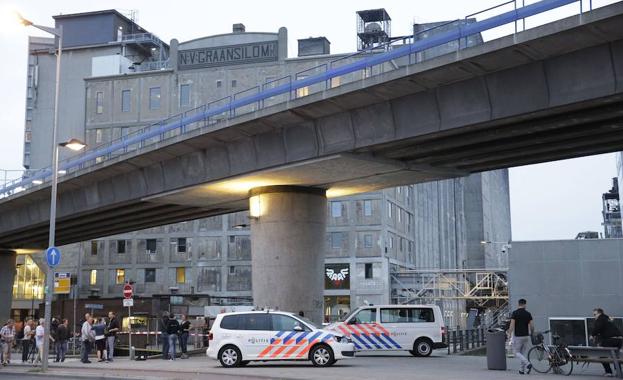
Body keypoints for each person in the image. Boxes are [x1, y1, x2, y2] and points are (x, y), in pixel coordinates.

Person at [592, 308, 623, 377]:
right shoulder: (607, 319)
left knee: (601, 354)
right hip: (619, 340)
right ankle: (618, 371)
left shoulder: (600, 319)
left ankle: (608, 371)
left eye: (595, 314)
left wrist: (592, 335)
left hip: (610, 340)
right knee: (615, 355)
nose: (594, 317)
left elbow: (597, 328)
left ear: (599, 313)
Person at [507, 298, 533, 375]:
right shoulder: (528, 314)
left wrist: (509, 334)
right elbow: (532, 326)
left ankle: (528, 363)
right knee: (522, 353)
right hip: (526, 336)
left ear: (518, 304)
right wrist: (532, 332)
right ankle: (521, 370)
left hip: (518, 336)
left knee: (516, 353)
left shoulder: (515, 313)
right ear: (525, 304)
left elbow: (512, 325)